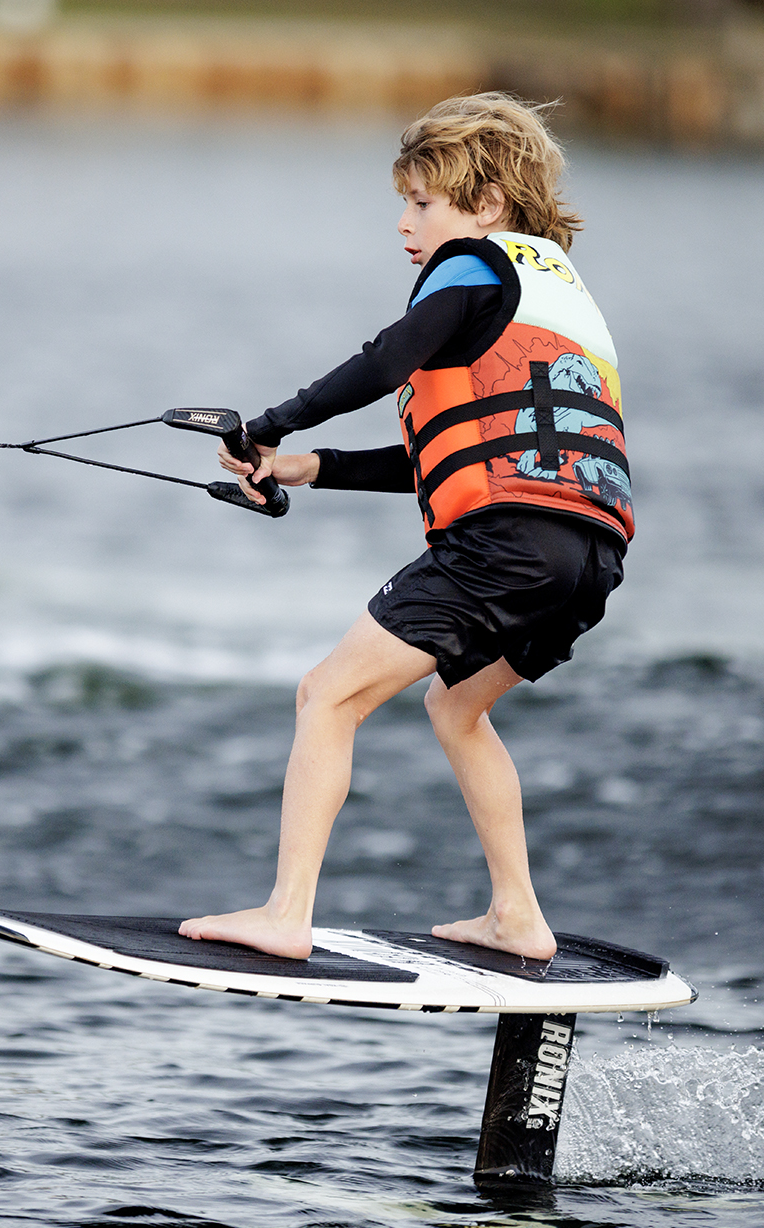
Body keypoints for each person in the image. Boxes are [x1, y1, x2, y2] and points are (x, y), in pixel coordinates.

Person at [179, 92, 632, 962]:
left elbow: (385, 360)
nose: (403, 224)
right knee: (457, 706)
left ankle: (286, 914)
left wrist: (273, 424)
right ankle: (518, 916)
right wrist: (309, 467)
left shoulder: (471, 266)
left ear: (486, 204)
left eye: (421, 202)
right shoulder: (555, 294)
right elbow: (459, 452)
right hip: (589, 557)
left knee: (327, 695)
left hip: (503, 545)